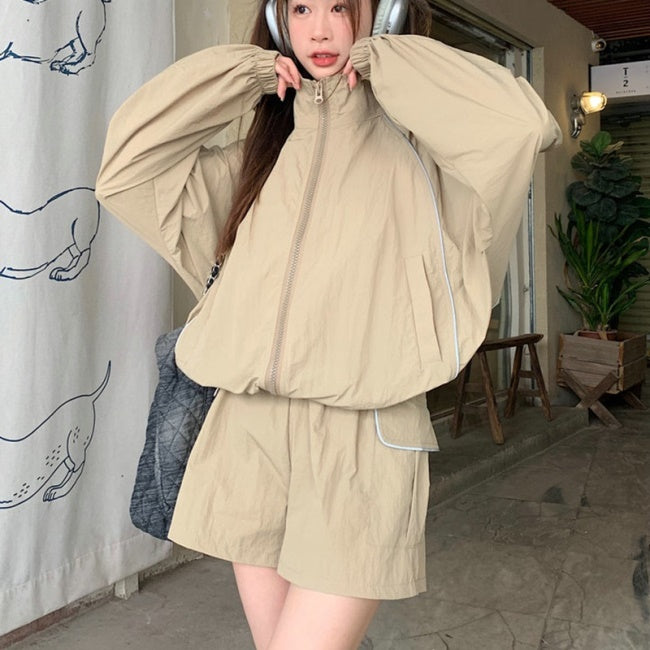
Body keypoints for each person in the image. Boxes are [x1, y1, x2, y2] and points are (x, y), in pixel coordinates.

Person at [96, 1, 561, 647]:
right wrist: (242, 77)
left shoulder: (426, 165)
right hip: (247, 430)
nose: (319, 28)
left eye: (340, 6)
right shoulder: (254, 161)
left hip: (361, 439)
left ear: (382, 12)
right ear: (278, 20)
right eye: (301, 8)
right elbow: (126, 172)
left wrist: (387, 61)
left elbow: (521, 125)